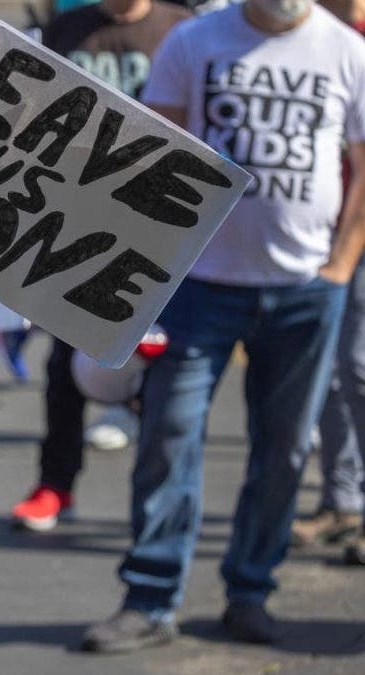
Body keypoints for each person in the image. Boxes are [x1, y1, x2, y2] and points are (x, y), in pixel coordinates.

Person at [82, 0, 365, 652]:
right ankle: (150, 599)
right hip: (199, 286)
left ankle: (250, 591)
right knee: (169, 434)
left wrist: (341, 266)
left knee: (286, 449)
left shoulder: (345, 49)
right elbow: (159, 152)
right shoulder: (195, 40)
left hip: (304, 291)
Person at [8, 0, 191, 532]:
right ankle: (54, 486)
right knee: (64, 366)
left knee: (166, 374)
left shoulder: (182, 30)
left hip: (161, 226)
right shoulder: (69, 28)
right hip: (80, 219)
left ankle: (161, 508)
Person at [291, 0, 365, 561]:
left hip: (353, 234)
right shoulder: (300, 33)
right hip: (317, 234)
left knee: (356, 365)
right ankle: (343, 500)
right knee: (334, 372)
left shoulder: (350, 44)